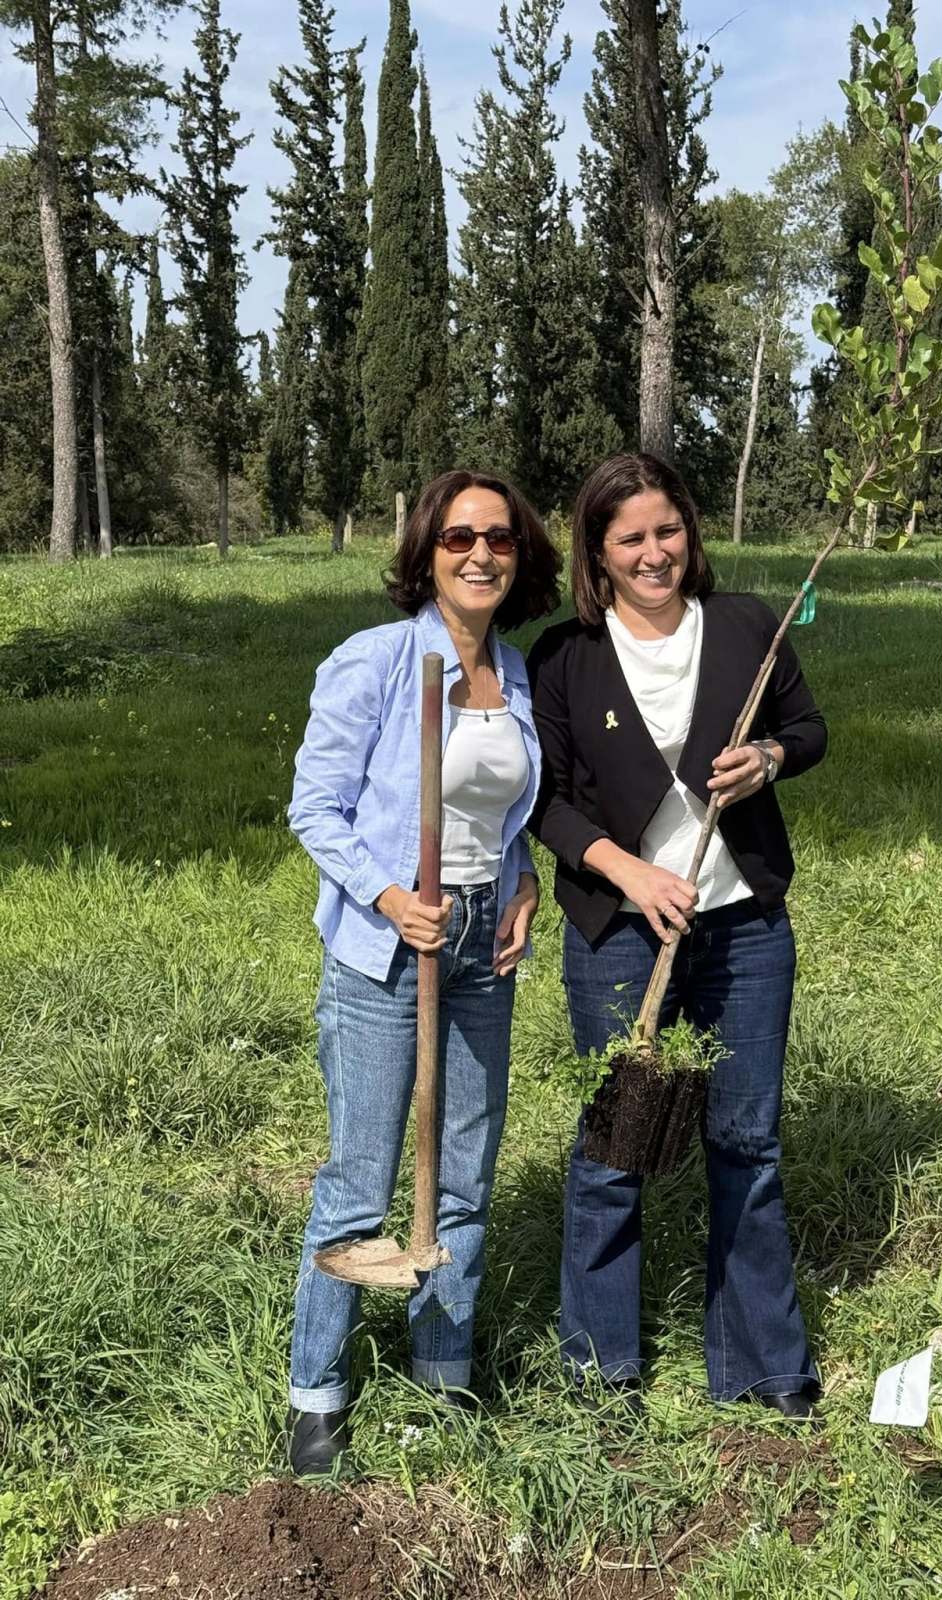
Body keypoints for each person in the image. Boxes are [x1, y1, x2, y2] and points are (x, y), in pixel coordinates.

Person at [528, 451, 828, 1419]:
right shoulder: (563, 659)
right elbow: (548, 804)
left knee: (746, 1139)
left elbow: (808, 728)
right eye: (631, 538)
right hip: (620, 926)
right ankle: (599, 1368)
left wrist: (771, 757)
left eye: (667, 530)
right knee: (614, 1143)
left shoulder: (746, 626)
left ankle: (762, 1364)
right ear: (599, 553)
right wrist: (630, 873)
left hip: (745, 931)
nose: (655, 552)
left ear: (688, 533)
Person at [285, 470, 560, 1475]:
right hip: (385, 948)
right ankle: (316, 1397)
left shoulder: (518, 673)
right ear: (426, 553)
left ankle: (439, 1379)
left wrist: (523, 883)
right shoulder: (378, 661)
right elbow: (315, 809)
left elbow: (499, 812)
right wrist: (390, 896)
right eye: (459, 538)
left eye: (499, 538)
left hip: (483, 947)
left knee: (466, 1174)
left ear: (519, 555)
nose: (481, 553)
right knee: (362, 1178)